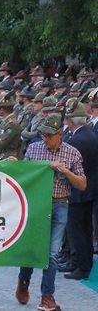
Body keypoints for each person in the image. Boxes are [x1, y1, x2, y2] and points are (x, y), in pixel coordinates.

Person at [13, 112, 87, 311]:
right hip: (36, 205)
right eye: (43, 135)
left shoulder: (72, 153)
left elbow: (82, 184)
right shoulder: (34, 149)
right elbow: (23, 175)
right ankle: (24, 280)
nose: (44, 139)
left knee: (51, 254)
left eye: (48, 135)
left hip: (60, 205)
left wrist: (65, 170)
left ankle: (47, 296)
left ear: (59, 134)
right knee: (32, 248)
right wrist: (14, 165)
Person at [61, 101, 97, 281]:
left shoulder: (76, 140)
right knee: (84, 230)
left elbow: (66, 162)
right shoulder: (90, 135)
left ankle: (82, 266)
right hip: (89, 190)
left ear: (71, 120)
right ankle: (82, 263)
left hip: (78, 191)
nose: (65, 122)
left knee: (77, 231)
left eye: (67, 118)